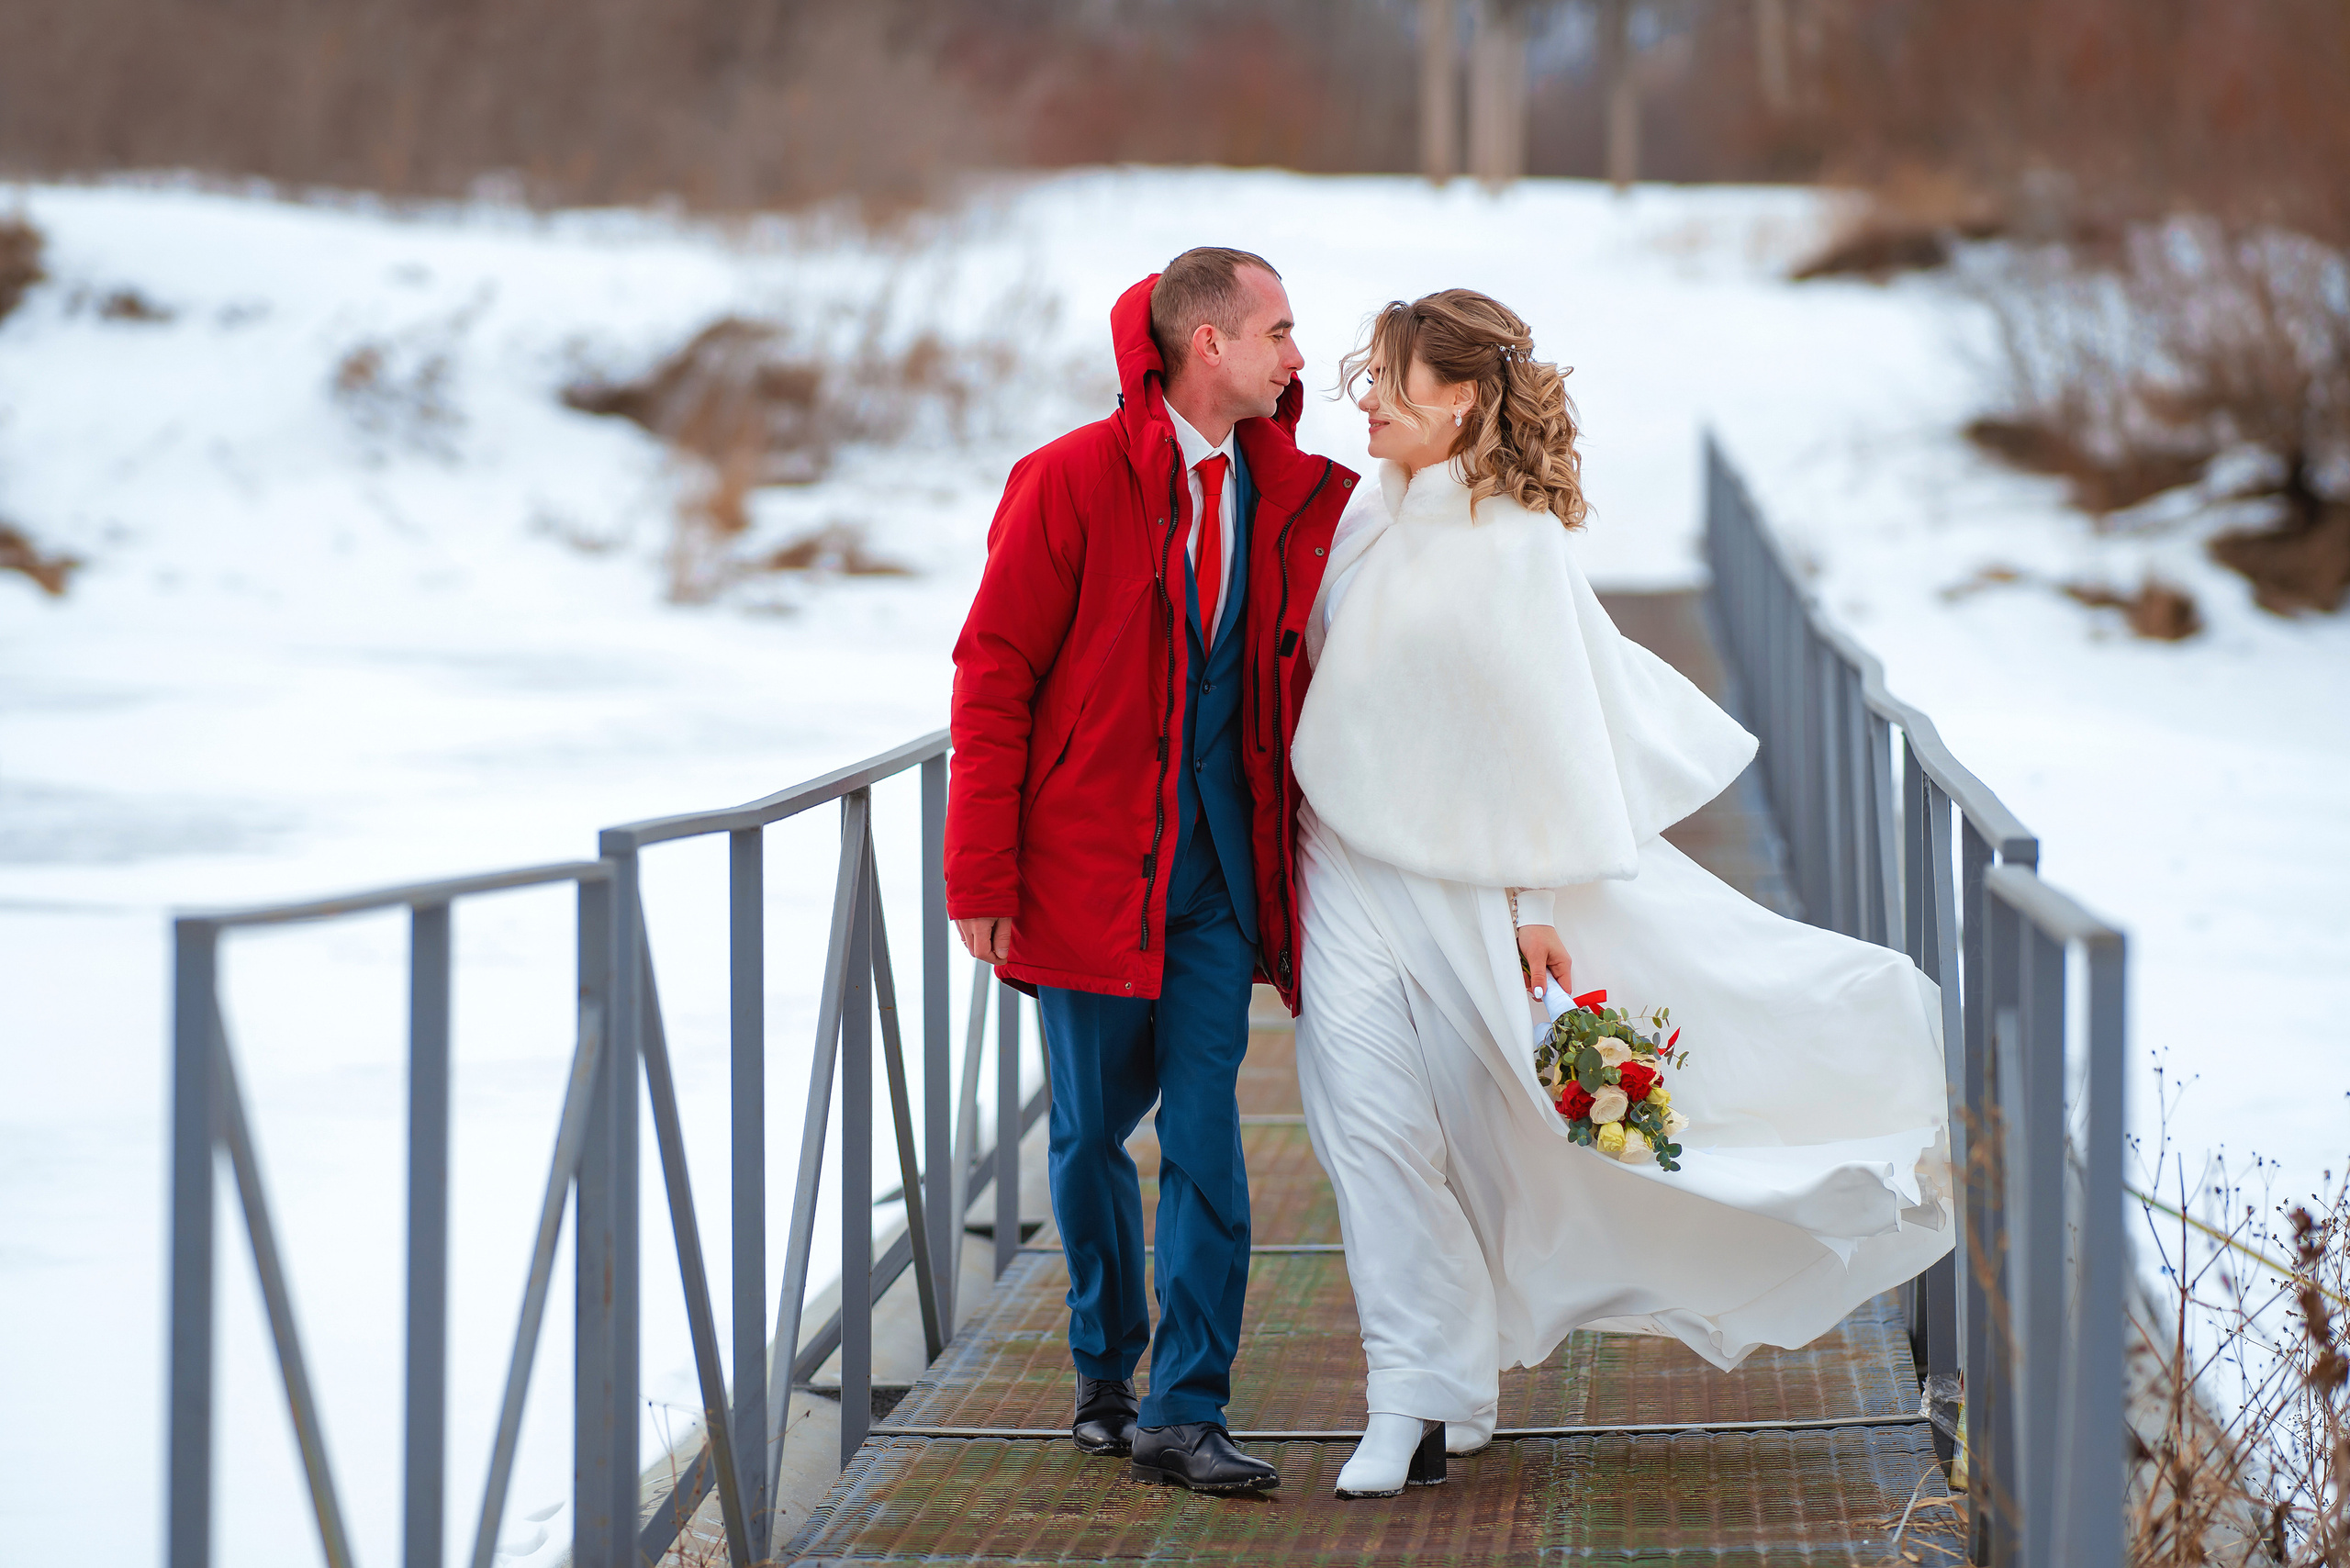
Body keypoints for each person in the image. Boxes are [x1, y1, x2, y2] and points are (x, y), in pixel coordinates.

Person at [1290, 289, 1955, 1500]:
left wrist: (1535, 898)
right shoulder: (1357, 520)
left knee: (1487, 1136)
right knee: (1369, 1134)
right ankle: (1415, 1396)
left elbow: (1548, 734)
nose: (1365, 398)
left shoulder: (1516, 544)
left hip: (1474, 889)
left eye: (1389, 377)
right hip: (1339, 867)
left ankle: (1459, 1371)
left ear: (1464, 398)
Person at [945, 248, 1357, 1494]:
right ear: (1207, 346)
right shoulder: (1067, 482)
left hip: (1221, 881)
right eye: (1279, 332)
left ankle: (1186, 1406)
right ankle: (1103, 1370)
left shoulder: (1295, 494)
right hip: (1083, 869)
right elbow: (995, 673)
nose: (1298, 359)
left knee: (1209, 1136)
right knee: (1084, 1142)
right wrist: (981, 874)